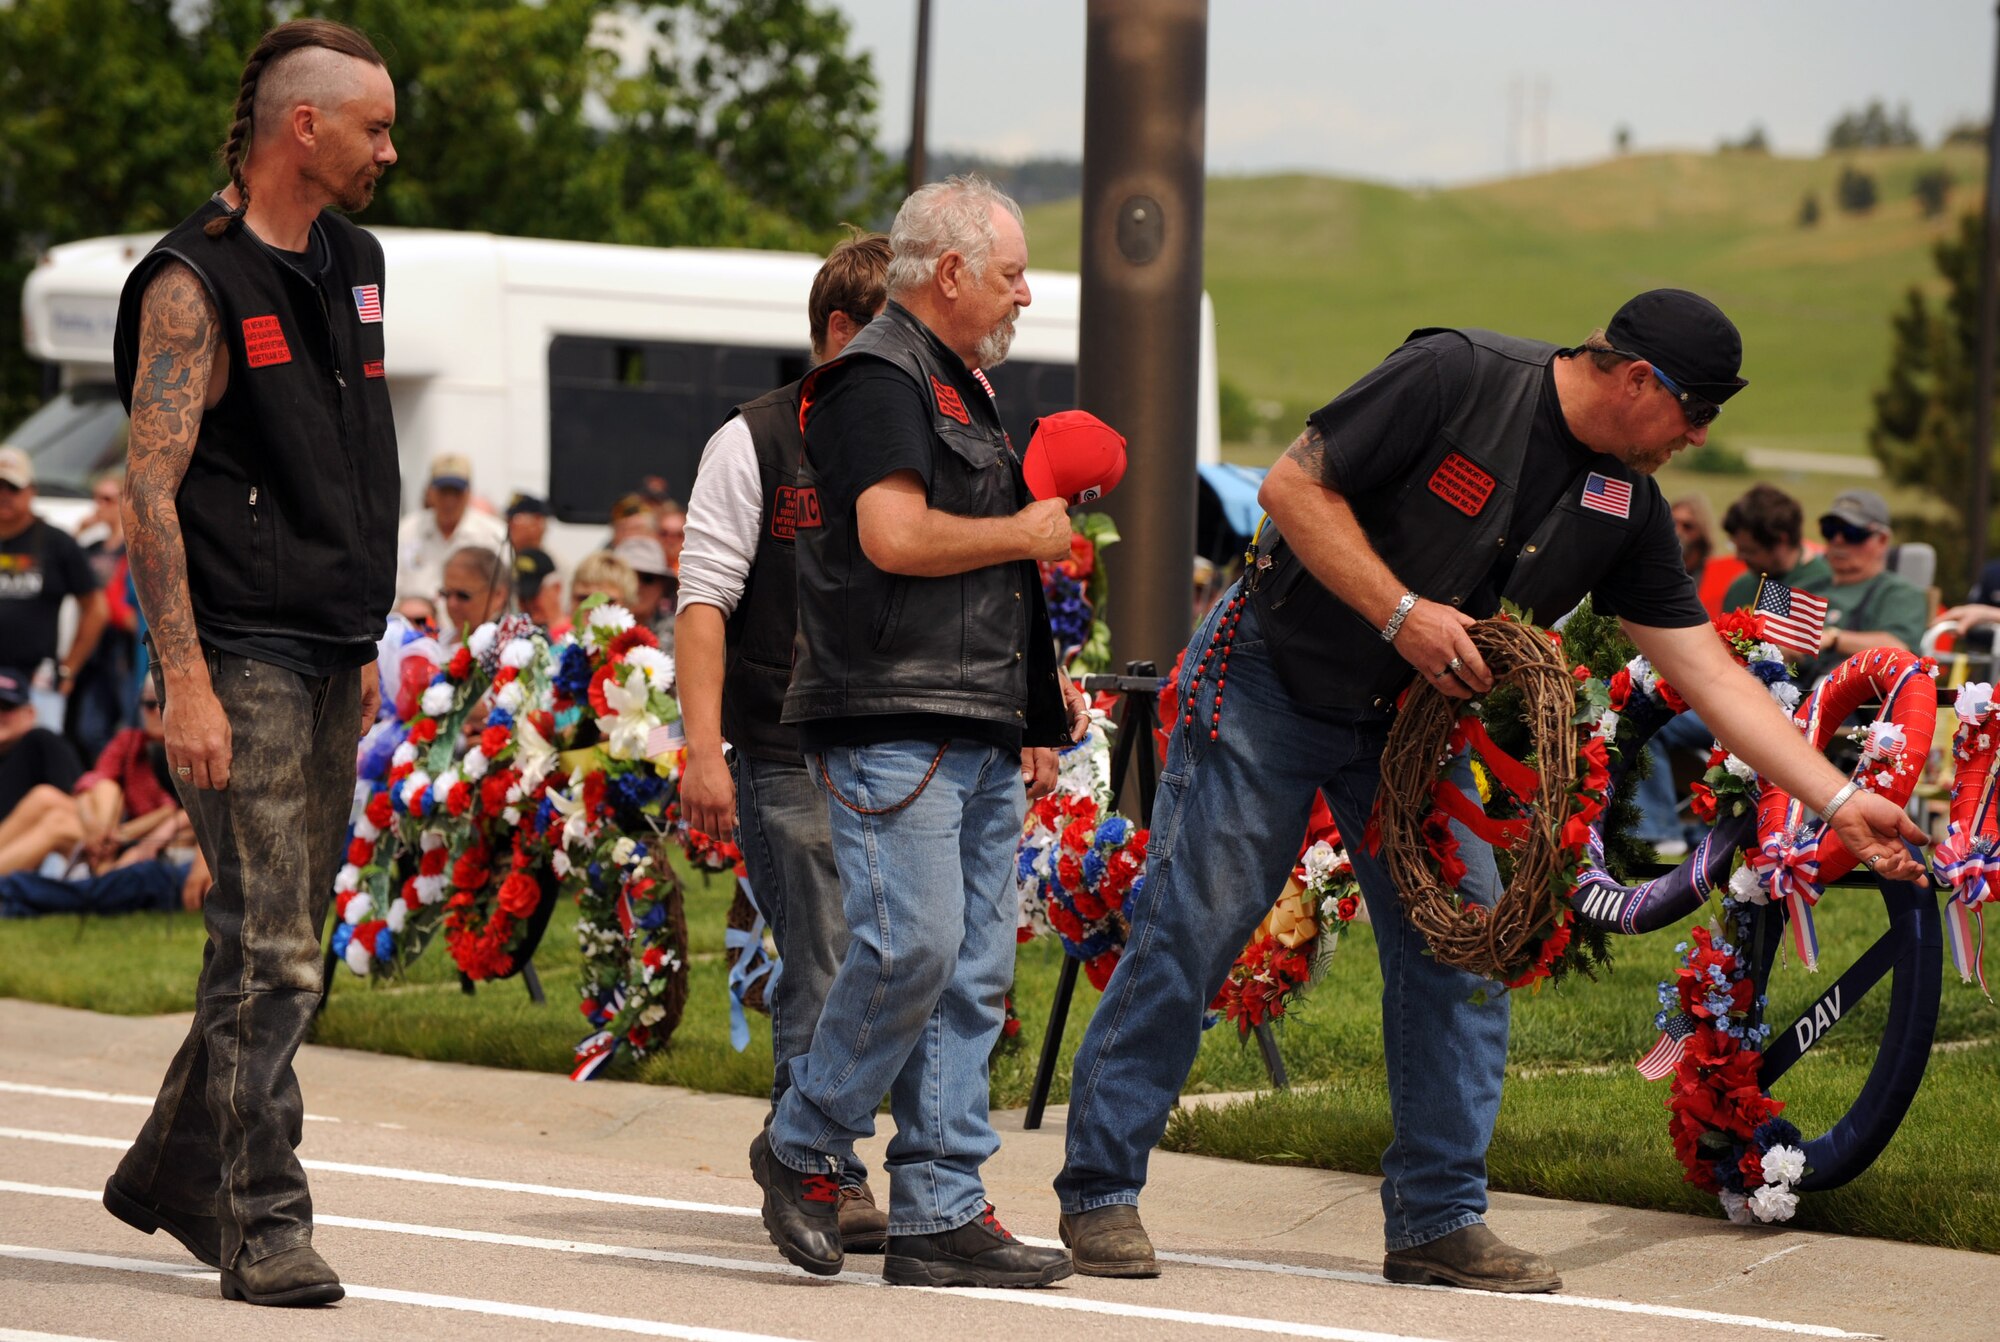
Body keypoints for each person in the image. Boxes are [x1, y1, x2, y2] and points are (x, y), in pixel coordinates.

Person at [1052, 289, 1930, 1292]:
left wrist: (1835, 800)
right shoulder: (1457, 375)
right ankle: (1099, 1187)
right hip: (1269, 679)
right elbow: (1293, 490)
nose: (1696, 437)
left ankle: (1435, 1218)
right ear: (1639, 379)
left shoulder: (1625, 506)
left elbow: (1712, 673)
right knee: (1197, 924)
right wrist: (1400, 613)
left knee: (1465, 943)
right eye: (1696, 413)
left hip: (1410, 727)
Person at [102, 19, 400, 1308]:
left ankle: (171, 1169)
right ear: (305, 129)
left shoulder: (357, 259)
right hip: (240, 654)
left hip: (333, 648)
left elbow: (346, 461)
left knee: (269, 943)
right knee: (276, 950)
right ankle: (256, 1217)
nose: (390, 148)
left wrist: (365, 639)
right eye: (374, 127)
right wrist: (186, 680)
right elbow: (148, 492)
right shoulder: (190, 281)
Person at [754, 176, 1088, 1289]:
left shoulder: (958, 385)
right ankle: (804, 1142)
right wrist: (1020, 530)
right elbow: (893, 536)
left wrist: (1036, 705)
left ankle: (941, 1207)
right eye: (1008, 274)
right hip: (892, 716)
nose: (1023, 294)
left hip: (971, 718)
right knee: (912, 949)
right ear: (947, 273)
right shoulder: (874, 377)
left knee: (971, 976)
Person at [678, 228, 894, 1253]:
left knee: (886, 956)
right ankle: (823, 1172)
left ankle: (802, 1150)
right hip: (779, 744)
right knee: (822, 956)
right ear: (838, 332)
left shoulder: (911, 436)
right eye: (896, 338)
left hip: (891, 745)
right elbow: (704, 602)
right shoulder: (752, 440)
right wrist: (700, 748)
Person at [0, 446, 109, 734]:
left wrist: (69, 668)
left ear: (30, 491)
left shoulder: (56, 542)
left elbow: (96, 609)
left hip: (37, 680)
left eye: (11, 487)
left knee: (38, 758)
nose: (4, 495)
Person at [1795, 489, 1930, 686]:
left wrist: (1833, 638)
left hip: (1854, 703)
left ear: (1882, 540)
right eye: (1830, 530)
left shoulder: (1900, 593)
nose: (1838, 540)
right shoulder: (1805, 588)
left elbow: (1897, 648)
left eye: (1853, 533)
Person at [0, 667, 86, 875]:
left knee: (45, 800)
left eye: (6, 707)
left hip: (63, 844)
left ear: (29, 713)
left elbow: (78, 804)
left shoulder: (39, 743)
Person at [395, 453, 506, 604]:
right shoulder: (408, 530)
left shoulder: (493, 534)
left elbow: (501, 591)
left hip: (472, 625)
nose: (449, 501)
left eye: (456, 493)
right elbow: (394, 584)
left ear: (468, 494)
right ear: (430, 492)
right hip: (416, 623)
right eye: (443, 492)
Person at [1719, 483, 1832, 613]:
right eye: (1736, 547)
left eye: (1749, 551)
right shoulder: (1740, 589)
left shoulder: (1824, 585)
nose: (1739, 557)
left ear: (1782, 541)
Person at [1672, 493, 1744, 618]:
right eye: (1672, 523)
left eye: (1687, 526)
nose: (1677, 531)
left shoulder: (1719, 576)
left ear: (1701, 532)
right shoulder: (1655, 571)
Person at [438, 545, 511, 645]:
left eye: (463, 595)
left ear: (498, 595)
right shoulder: (436, 642)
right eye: (446, 594)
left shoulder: (508, 647)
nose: (451, 604)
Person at [612, 535, 676, 649]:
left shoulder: (676, 633)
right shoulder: (595, 630)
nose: (637, 586)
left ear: (663, 587)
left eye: (648, 578)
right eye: (629, 577)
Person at [565, 551, 638, 634]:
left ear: (628, 606)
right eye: (583, 599)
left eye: (606, 602)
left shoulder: (640, 646)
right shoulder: (553, 645)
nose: (593, 609)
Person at [513, 547, 562, 629]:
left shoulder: (577, 637)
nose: (528, 604)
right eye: (522, 597)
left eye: (533, 594)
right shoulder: (509, 637)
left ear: (556, 588)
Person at [657, 498, 687, 574]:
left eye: (678, 535)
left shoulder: (692, 573)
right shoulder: (643, 566)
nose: (670, 540)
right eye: (664, 534)